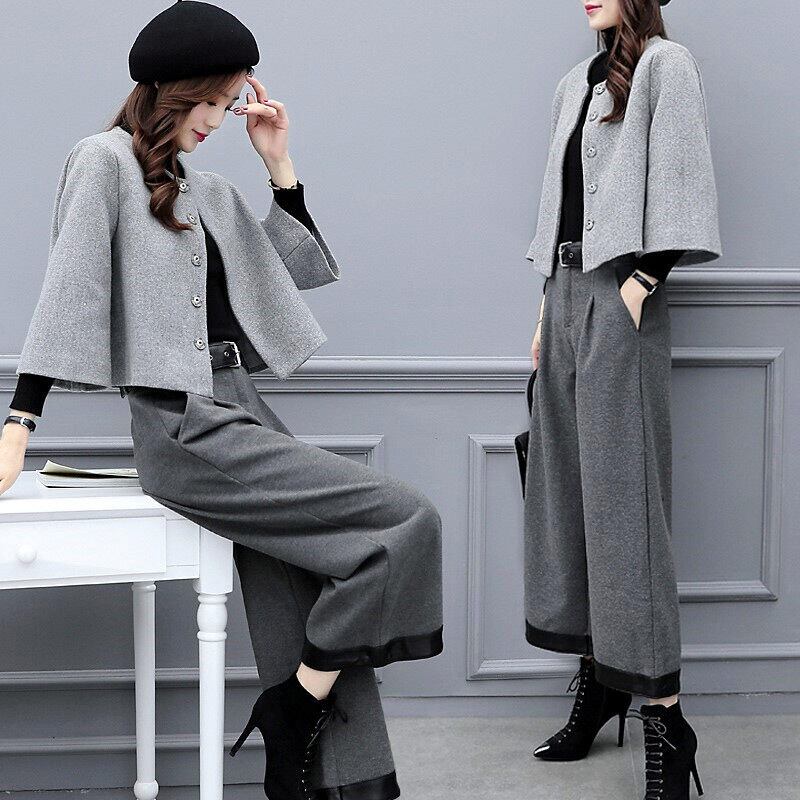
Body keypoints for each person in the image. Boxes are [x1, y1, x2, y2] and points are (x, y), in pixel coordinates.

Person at [0, 3, 443, 799]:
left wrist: (279, 165)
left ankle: (346, 780)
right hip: (182, 424)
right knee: (404, 521)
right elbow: (69, 290)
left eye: (230, 102)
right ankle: (294, 706)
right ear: (172, 90)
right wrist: (18, 422)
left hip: (239, 404)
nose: (217, 119)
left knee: (300, 588)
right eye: (211, 100)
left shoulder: (206, 190)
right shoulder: (102, 162)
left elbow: (279, 278)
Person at [522, 0, 721, 797]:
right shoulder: (575, 80)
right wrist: (547, 308)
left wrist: (642, 282)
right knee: (568, 499)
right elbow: (565, 204)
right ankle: (601, 681)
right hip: (565, 292)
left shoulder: (667, 65)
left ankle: (667, 721)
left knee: (627, 509)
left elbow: (683, 181)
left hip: (618, 293)